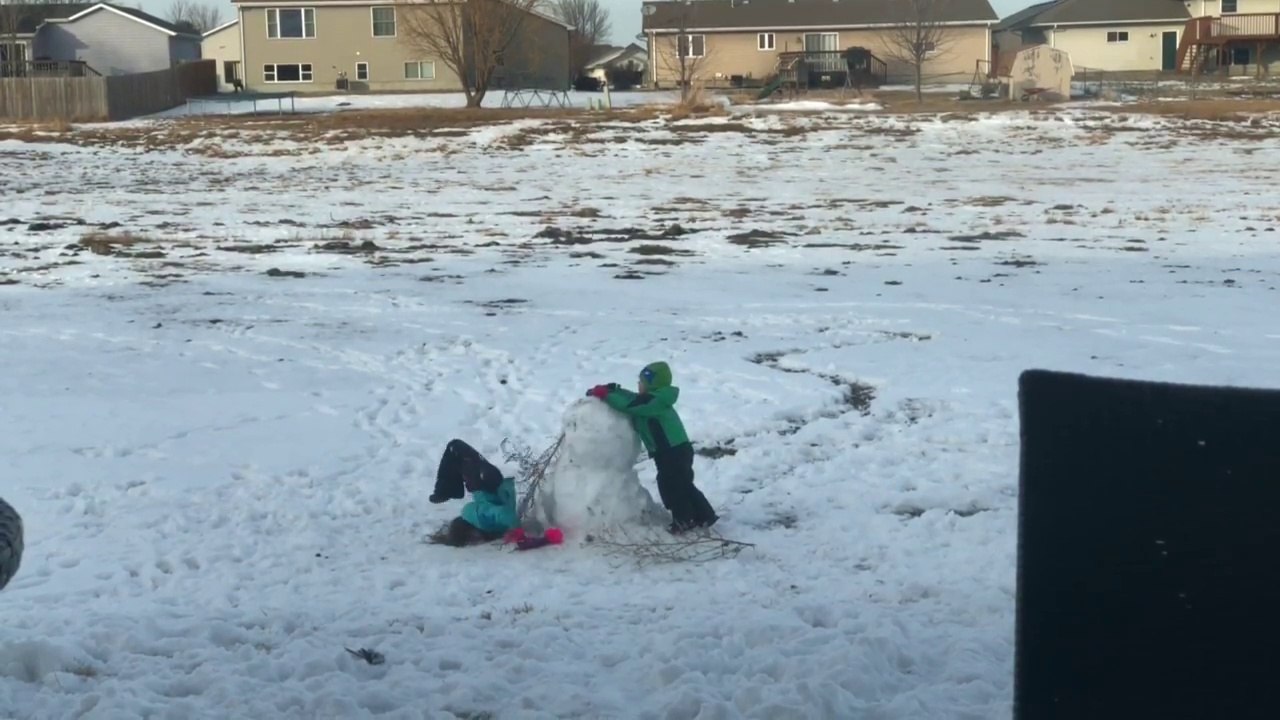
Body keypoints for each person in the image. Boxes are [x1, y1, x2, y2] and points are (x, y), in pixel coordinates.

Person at [587, 361, 718, 534]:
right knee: (683, 484)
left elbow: (630, 406)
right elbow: (633, 398)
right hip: (672, 450)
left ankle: (683, 521)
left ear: (652, 384)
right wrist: (614, 390)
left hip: (672, 452)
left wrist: (607, 396)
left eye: (641, 382)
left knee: (673, 487)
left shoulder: (654, 402)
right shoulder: (654, 398)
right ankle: (704, 515)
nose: (638, 385)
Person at [429, 439, 518, 547]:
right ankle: (445, 491)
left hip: (485, 484)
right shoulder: (476, 516)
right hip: (484, 484)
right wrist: (518, 531)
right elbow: (504, 513)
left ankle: (446, 491)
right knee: (455, 447)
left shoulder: (475, 516)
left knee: (455, 453)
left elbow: (503, 513)